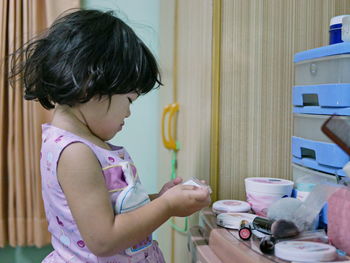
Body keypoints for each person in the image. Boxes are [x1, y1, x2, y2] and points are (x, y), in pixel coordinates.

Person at [10, 9, 211, 263]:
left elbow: (112, 209)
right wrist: (167, 206)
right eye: (129, 100)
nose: (128, 113)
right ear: (89, 82)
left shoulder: (85, 144)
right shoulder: (75, 152)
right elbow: (104, 239)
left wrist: (159, 199)